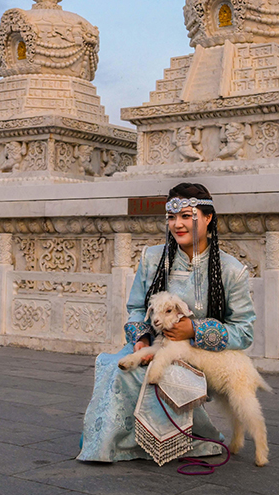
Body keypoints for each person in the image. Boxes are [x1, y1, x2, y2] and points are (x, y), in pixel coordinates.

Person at [77, 182, 256, 463]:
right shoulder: (152, 258)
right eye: (172, 217)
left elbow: (244, 331)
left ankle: (176, 441)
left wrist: (195, 329)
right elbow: (137, 307)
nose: (177, 224)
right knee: (117, 368)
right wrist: (141, 338)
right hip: (153, 345)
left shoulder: (231, 270)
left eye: (186, 216)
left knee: (146, 374)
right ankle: (115, 443)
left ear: (208, 218)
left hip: (199, 357)